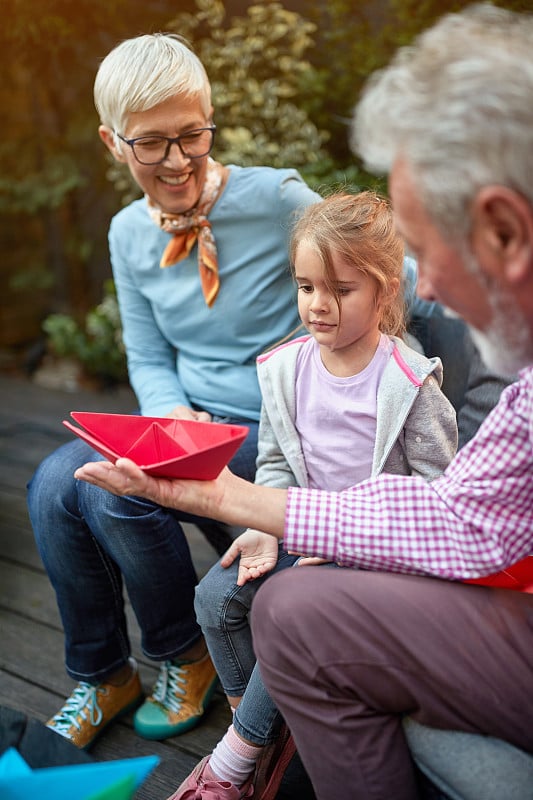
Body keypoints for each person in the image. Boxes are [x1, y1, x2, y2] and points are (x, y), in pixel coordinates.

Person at [74, 4, 533, 799]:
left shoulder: (409, 362)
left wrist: (247, 502)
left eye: (421, 251)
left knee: (290, 608)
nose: (428, 292)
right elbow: (472, 513)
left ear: (502, 230)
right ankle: (184, 694)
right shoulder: (279, 356)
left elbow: (454, 511)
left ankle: (245, 758)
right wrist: (247, 500)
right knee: (67, 488)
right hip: (274, 461)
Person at [26, 31, 322, 751]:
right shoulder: (129, 232)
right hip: (191, 421)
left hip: (281, 429)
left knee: (116, 488)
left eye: (191, 135)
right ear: (113, 142)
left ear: (209, 117)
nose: (176, 160)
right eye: (151, 143)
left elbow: (382, 274)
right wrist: (169, 416)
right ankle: (103, 673)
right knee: (54, 482)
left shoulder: (276, 197)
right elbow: (148, 352)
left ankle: (180, 656)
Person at [172, 191, 457, 798]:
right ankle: (275, 736)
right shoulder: (286, 369)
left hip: (374, 556)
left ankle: (234, 762)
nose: (318, 305)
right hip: (300, 530)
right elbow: (274, 461)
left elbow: (440, 499)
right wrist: (261, 526)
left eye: (340, 289)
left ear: (383, 291)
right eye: (306, 286)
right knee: (215, 599)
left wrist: (356, 548)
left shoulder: (409, 384)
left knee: (290, 617)